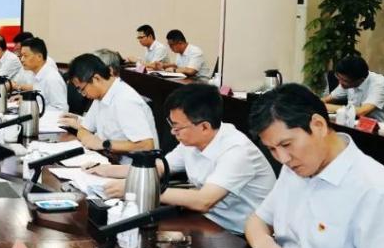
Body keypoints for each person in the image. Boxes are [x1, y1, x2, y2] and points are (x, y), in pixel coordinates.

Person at [244, 83, 384, 248]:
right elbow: (257, 220)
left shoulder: (375, 189)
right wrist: (264, 243)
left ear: (318, 125)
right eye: (272, 149)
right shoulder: (295, 168)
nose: (283, 159)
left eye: (286, 144)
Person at [92, 84, 274, 234]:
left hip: (239, 234)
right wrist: (107, 170)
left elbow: (204, 201)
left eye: (177, 127)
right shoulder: (192, 141)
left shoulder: (237, 150)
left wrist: (138, 189)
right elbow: (159, 167)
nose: (173, 132)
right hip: (206, 221)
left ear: (204, 127)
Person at [57, 53, 158, 160]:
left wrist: (104, 144)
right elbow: (83, 129)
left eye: (82, 89)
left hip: (132, 166)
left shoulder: (125, 100)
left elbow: (146, 146)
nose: (83, 94)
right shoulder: (100, 96)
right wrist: (88, 139)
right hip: (108, 159)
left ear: (96, 79)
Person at [321, 55, 384, 122]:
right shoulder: (346, 81)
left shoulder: (379, 84)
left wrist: (325, 106)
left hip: (379, 126)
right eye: (338, 78)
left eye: (344, 80)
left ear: (361, 80)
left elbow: (361, 111)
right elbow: (326, 99)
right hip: (354, 123)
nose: (340, 83)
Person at [12, 37, 68, 112]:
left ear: (39, 57)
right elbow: (41, 100)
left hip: (47, 119)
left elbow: (61, 109)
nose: (22, 59)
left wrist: (32, 105)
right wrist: (27, 100)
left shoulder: (51, 78)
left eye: (25, 56)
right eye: (21, 56)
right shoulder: (37, 74)